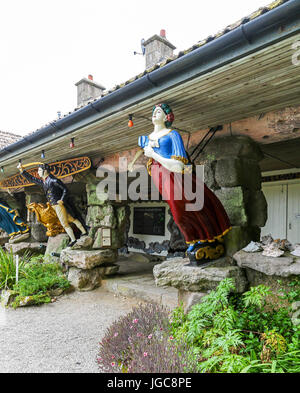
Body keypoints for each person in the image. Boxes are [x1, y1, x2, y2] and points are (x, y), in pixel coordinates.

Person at [129, 103, 231, 267]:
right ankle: (195, 239)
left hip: (177, 178)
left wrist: (154, 154)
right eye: (154, 112)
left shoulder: (172, 135)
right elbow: (146, 157)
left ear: (167, 117)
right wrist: (134, 162)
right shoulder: (146, 139)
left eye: (159, 112)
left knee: (183, 210)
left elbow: (178, 166)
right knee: (178, 213)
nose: (155, 114)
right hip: (161, 179)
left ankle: (206, 237)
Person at [17, 162, 87, 247]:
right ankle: (84, 232)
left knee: (64, 223)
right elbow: (33, 179)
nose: (38, 172)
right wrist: (22, 171)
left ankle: (73, 240)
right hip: (53, 206)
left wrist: (62, 200)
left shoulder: (54, 180)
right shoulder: (44, 181)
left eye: (39, 170)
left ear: (45, 171)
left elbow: (65, 190)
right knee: (71, 219)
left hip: (58, 205)